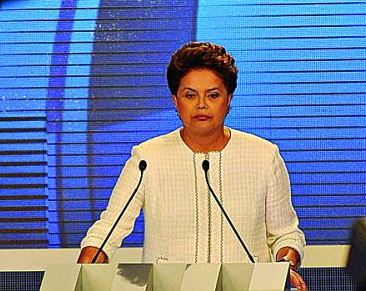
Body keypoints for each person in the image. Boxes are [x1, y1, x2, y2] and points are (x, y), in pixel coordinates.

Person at [78, 42, 307, 290]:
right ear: (175, 101)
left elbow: (286, 234)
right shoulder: (147, 159)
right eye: (190, 95)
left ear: (228, 100)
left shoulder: (263, 156)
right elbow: (108, 230)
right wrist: (82, 273)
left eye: (213, 95)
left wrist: (285, 266)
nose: (201, 104)